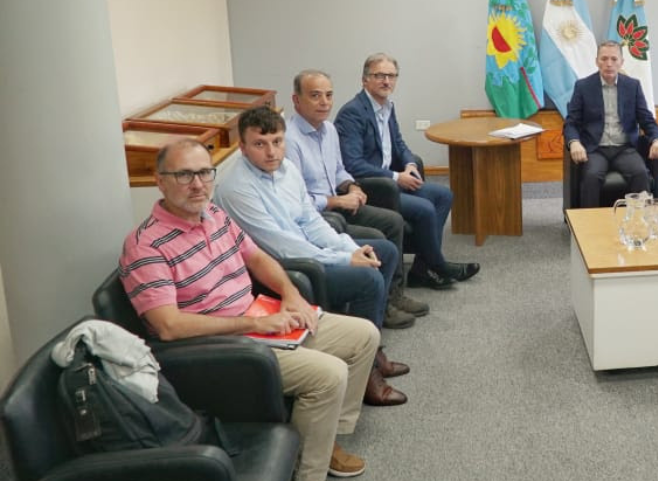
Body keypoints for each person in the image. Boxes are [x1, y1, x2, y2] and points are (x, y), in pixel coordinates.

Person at [120, 139, 378, 480]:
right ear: (160, 181)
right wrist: (252, 325)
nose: (197, 184)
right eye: (184, 175)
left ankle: (325, 439)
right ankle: (308, 470)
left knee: (363, 335)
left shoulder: (214, 214)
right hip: (220, 346)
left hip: (258, 319)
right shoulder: (145, 247)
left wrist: (290, 294)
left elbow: (256, 258)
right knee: (329, 374)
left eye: (204, 173)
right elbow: (169, 326)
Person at [213, 106, 407, 407]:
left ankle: (371, 350)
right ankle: (367, 375)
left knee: (386, 251)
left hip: (310, 250)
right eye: (260, 144)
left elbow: (311, 221)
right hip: (287, 268)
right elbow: (281, 247)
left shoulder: (287, 170)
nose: (271, 152)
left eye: (277, 142)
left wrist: (348, 248)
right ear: (243, 147)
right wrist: (344, 260)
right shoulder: (236, 189)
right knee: (368, 279)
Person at [285, 68, 429, 324]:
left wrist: (352, 186)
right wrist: (336, 201)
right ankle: (382, 306)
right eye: (315, 96)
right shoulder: (289, 140)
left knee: (393, 221)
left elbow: (339, 169)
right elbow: (298, 200)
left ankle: (393, 295)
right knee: (378, 238)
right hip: (318, 215)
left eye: (329, 95)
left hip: (339, 203)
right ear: (296, 100)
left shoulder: (329, 130)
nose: (324, 102)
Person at [335, 53, 477, 289]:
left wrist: (410, 165)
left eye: (391, 76)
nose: (386, 81)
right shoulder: (353, 113)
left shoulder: (387, 107)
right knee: (425, 208)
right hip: (373, 187)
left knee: (444, 196)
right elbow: (353, 164)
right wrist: (395, 177)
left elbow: (399, 144)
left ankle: (422, 269)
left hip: (392, 180)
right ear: (365, 80)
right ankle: (438, 266)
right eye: (379, 75)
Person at [563, 40, 658, 208]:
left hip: (624, 148)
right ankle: (588, 223)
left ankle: (641, 220)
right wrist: (574, 142)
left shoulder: (632, 86)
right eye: (604, 59)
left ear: (621, 62)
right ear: (597, 61)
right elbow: (571, 122)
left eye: (614, 59)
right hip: (595, 149)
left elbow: (647, 119)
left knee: (640, 174)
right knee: (591, 176)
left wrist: (657, 139)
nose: (609, 64)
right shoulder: (583, 86)